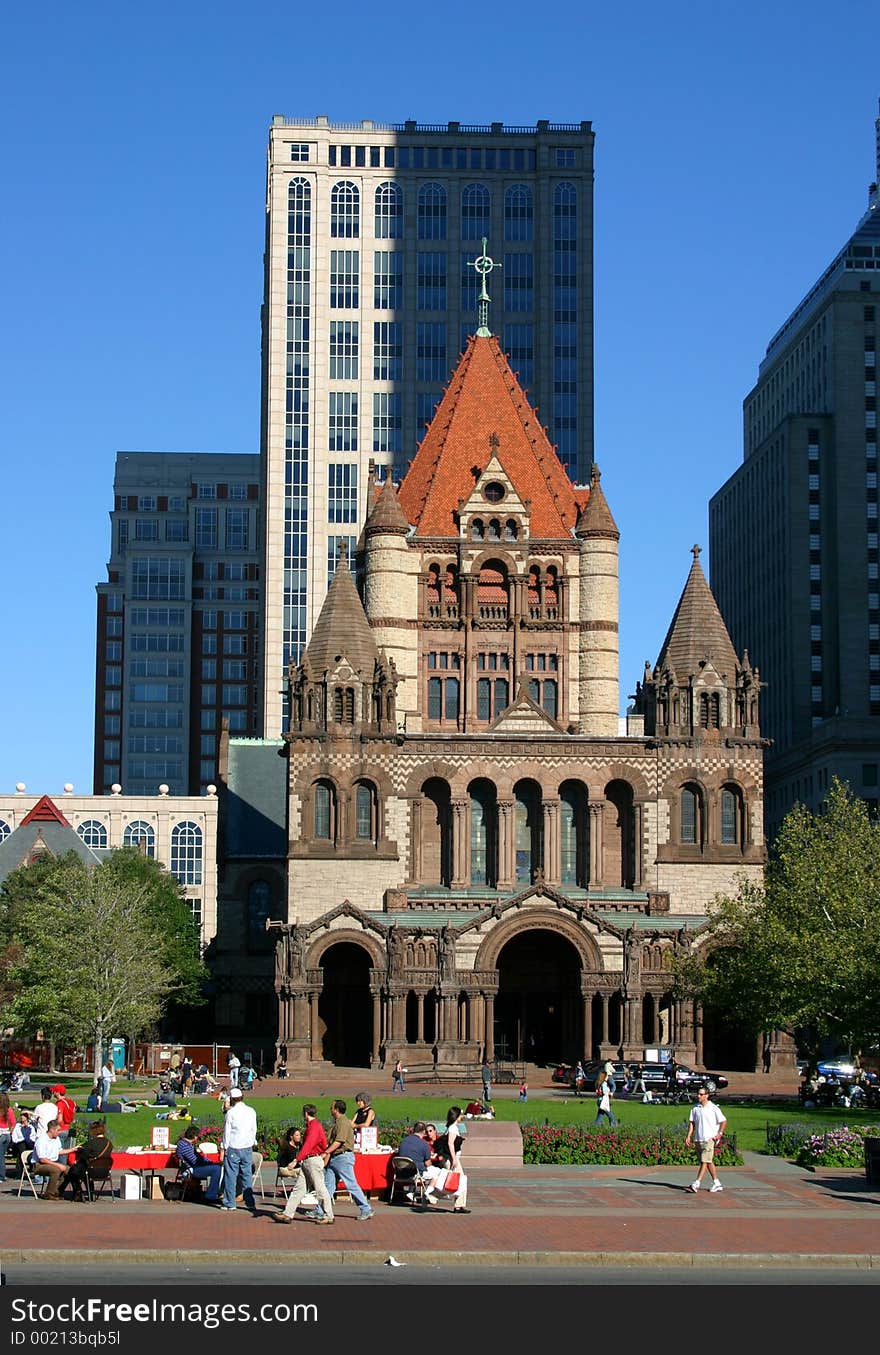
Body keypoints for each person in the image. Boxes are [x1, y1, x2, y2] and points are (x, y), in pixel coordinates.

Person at [275, 1103, 334, 1225]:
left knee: (320, 1188)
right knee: (299, 1188)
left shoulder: (313, 1127)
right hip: (309, 1160)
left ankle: (329, 1215)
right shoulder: (316, 1126)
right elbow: (323, 1143)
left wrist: (296, 1159)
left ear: (305, 1113)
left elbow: (308, 1145)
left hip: (311, 1160)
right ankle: (287, 1213)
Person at [319, 1099, 374, 1221]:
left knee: (351, 1184)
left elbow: (339, 1141)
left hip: (342, 1157)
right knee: (328, 1186)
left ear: (336, 1110)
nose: (330, 1109)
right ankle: (320, 1209)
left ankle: (366, 1208)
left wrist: (326, 1152)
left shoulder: (343, 1123)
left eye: (331, 1107)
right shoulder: (337, 1122)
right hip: (335, 1157)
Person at [220, 1087, 258, 1213]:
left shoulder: (231, 1113)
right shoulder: (251, 1111)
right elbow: (254, 1129)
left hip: (234, 1147)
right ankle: (250, 1202)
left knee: (230, 1175)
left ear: (231, 1099)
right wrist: (252, 1142)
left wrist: (224, 1147)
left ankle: (230, 1202)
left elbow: (227, 1132)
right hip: (247, 1147)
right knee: (246, 1175)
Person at [426, 1107, 470, 1213]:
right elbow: (450, 1143)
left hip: (449, 1158)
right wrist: (454, 1158)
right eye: (460, 1115)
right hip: (452, 1159)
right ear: (457, 1116)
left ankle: (435, 1197)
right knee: (460, 1181)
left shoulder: (449, 1127)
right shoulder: (453, 1128)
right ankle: (435, 1197)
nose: (461, 1117)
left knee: (451, 1180)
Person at [685, 1087, 727, 1193]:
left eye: (701, 1094)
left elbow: (723, 1121)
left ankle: (696, 1183)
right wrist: (689, 1136)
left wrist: (719, 1134)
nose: (698, 1096)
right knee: (708, 1161)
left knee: (705, 1161)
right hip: (698, 1139)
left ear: (706, 1095)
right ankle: (717, 1183)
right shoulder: (695, 1108)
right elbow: (692, 1123)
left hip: (709, 1139)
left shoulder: (713, 1108)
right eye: (698, 1094)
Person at [65, 1119, 113, 1202]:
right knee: (85, 1170)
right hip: (105, 1171)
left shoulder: (91, 1143)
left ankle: (78, 1193)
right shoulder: (109, 1143)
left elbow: (83, 1155)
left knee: (73, 1171)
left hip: (91, 1170)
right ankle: (91, 1193)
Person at [174, 1124, 222, 1203]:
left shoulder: (184, 1143)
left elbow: (198, 1157)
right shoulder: (185, 1145)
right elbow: (195, 1160)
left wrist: (210, 1162)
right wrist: (210, 1163)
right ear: (194, 1136)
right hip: (191, 1170)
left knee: (215, 1167)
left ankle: (213, 1193)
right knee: (216, 1169)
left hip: (192, 1167)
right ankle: (210, 1195)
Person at [31, 1119, 69, 1200]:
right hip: (39, 1165)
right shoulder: (41, 1140)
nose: (59, 1132)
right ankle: (49, 1194)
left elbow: (59, 1151)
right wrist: (59, 1165)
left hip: (51, 1163)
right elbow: (42, 1159)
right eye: (58, 1130)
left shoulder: (56, 1139)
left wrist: (73, 1149)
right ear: (51, 1130)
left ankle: (57, 1191)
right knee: (56, 1170)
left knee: (69, 1170)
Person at [51, 1084, 77, 1149]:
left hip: (61, 1129)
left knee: (61, 1152)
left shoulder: (60, 1103)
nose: (53, 1093)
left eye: (54, 1091)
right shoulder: (71, 1102)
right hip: (69, 1128)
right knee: (68, 1150)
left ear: (58, 1093)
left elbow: (60, 1119)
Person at [10, 1109, 35, 1174]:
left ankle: (20, 1171)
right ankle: (24, 1168)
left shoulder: (31, 1127)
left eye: (23, 1115)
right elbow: (14, 1139)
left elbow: (33, 1138)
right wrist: (22, 1140)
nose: (21, 1117)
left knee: (23, 1148)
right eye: (21, 1115)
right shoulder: (17, 1126)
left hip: (29, 1145)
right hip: (18, 1145)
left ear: (27, 1117)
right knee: (22, 1146)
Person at [0, 1092, 16, 1183]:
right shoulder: (9, 1110)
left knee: (0, 1157)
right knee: (2, 1155)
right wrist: (9, 1132)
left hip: (1, 1134)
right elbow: (13, 1123)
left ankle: (1, 1176)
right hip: (7, 1135)